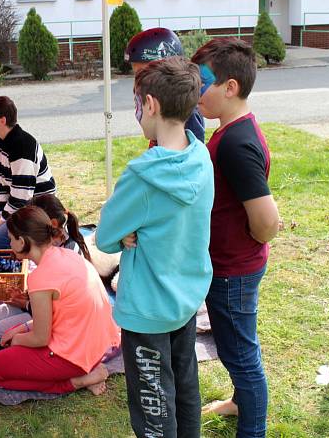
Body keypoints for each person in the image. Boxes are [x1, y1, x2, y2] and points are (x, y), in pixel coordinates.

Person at [96, 56, 215, 438]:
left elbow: (105, 237)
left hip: (147, 308)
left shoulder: (142, 177)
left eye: (137, 103)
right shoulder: (201, 157)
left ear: (150, 105)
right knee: (184, 387)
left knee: (153, 403)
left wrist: (127, 234)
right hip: (185, 300)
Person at [191, 37, 280, 438]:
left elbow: (266, 222)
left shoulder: (236, 144)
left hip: (233, 270)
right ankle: (239, 402)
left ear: (230, 87)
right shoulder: (231, 131)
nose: (196, 93)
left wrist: (243, 245)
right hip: (231, 264)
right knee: (237, 346)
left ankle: (253, 430)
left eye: (202, 83)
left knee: (240, 354)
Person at [0, 205, 120, 395]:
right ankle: (83, 373)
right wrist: (24, 328)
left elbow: (40, 338)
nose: (10, 243)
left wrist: (17, 340)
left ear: (22, 241)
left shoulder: (41, 277)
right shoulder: (68, 255)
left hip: (73, 357)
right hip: (94, 348)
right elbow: (64, 314)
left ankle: (76, 382)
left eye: (11, 239)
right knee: (7, 340)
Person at [0, 193, 91, 343]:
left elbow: (53, 318)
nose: (9, 244)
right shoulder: (50, 252)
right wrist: (27, 297)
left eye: (11, 239)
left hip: (63, 322)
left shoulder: (62, 257)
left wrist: (25, 309)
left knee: (0, 332)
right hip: (46, 309)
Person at [0, 96, 56, 250]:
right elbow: (1, 180)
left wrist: (3, 218)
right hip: (18, 203)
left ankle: (32, 236)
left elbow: (23, 195)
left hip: (35, 207)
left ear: (2, 120)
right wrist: (0, 212)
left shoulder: (22, 146)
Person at [125, 27, 207, 143]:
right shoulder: (160, 111)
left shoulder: (186, 115)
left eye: (143, 76)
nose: (137, 86)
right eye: (136, 76)